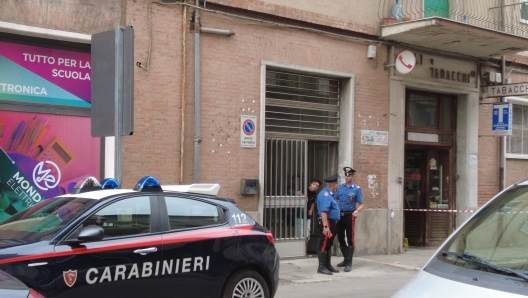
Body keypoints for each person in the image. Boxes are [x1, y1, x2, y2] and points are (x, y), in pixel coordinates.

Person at [336, 166, 363, 272]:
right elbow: (335, 199)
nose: (346, 177)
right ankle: (346, 259)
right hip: (340, 216)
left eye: (349, 175)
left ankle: (349, 262)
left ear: (352, 176)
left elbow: (361, 204)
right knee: (340, 238)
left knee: (350, 238)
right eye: (345, 175)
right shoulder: (341, 188)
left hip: (349, 216)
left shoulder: (356, 189)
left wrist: (357, 210)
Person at [316, 174, 340, 275]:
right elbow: (324, 212)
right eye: (336, 184)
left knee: (328, 244)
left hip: (331, 222)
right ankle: (321, 267)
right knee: (324, 244)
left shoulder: (330, 194)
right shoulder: (325, 195)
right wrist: (325, 227)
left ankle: (327, 265)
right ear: (332, 184)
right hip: (327, 222)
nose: (337, 186)